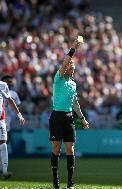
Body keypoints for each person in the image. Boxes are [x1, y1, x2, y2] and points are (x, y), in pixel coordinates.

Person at [49, 37, 89, 189]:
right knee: (56, 149)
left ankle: (70, 182)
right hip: (56, 116)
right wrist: (73, 48)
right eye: (68, 64)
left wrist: (83, 118)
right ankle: (55, 181)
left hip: (68, 117)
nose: (69, 65)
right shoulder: (58, 79)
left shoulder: (73, 84)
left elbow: (74, 103)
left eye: (72, 64)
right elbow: (65, 62)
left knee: (70, 149)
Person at [0, 75, 21, 173]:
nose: (9, 83)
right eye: (7, 81)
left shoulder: (14, 94)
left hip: (8, 122)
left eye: (10, 81)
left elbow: (18, 105)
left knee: (2, 144)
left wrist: (18, 115)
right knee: (2, 143)